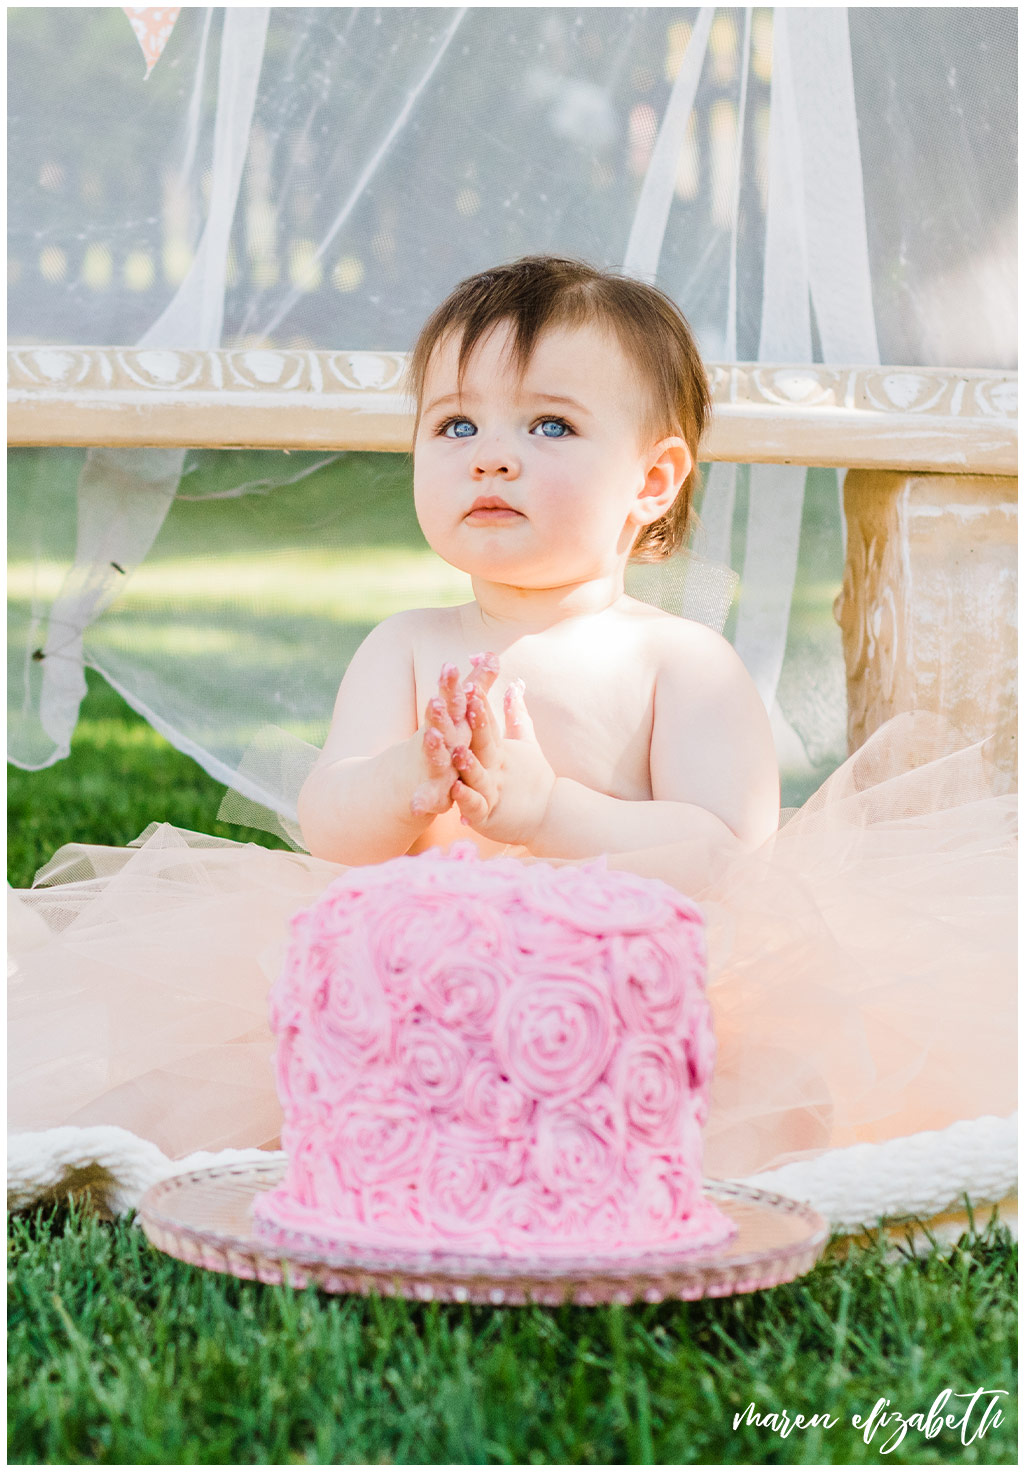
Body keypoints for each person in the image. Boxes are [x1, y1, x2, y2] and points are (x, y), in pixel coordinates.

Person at [9, 257, 1015, 1188]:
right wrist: (401, 783)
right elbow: (330, 828)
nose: (491, 459)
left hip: (633, 1005)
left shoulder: (677, 661)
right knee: (261, 1073)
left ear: (652, 479)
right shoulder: (406, 645)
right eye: (456, 427)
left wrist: (549, 812)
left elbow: (725, 853)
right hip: (428, 996)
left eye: (547, 428)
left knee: (766, 1100)